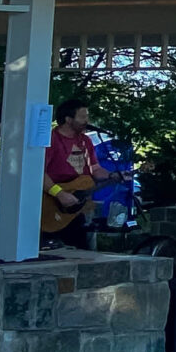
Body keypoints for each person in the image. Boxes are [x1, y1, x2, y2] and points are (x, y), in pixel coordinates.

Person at [42, 98, 129, 249]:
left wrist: (112, 175)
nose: (87, 121)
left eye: (87, 117)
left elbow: (95, 170)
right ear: (68, 119)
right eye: (82, 117)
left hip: (79, 207)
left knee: (83, 250)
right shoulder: (51, 140)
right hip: (52, 204)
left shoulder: (85, 141)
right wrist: (60, 194)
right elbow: (38, 173)